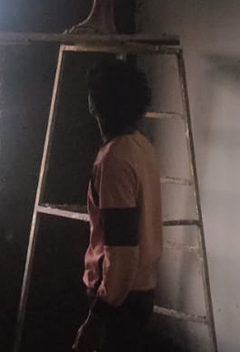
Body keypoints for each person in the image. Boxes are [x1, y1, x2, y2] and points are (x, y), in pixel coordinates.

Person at [73, 60, 162, 352]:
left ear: (93, 104)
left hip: (118, 299)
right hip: (138, 291)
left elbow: (121, 251)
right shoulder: (141, 146)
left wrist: (96, 317)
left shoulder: (114, 159)